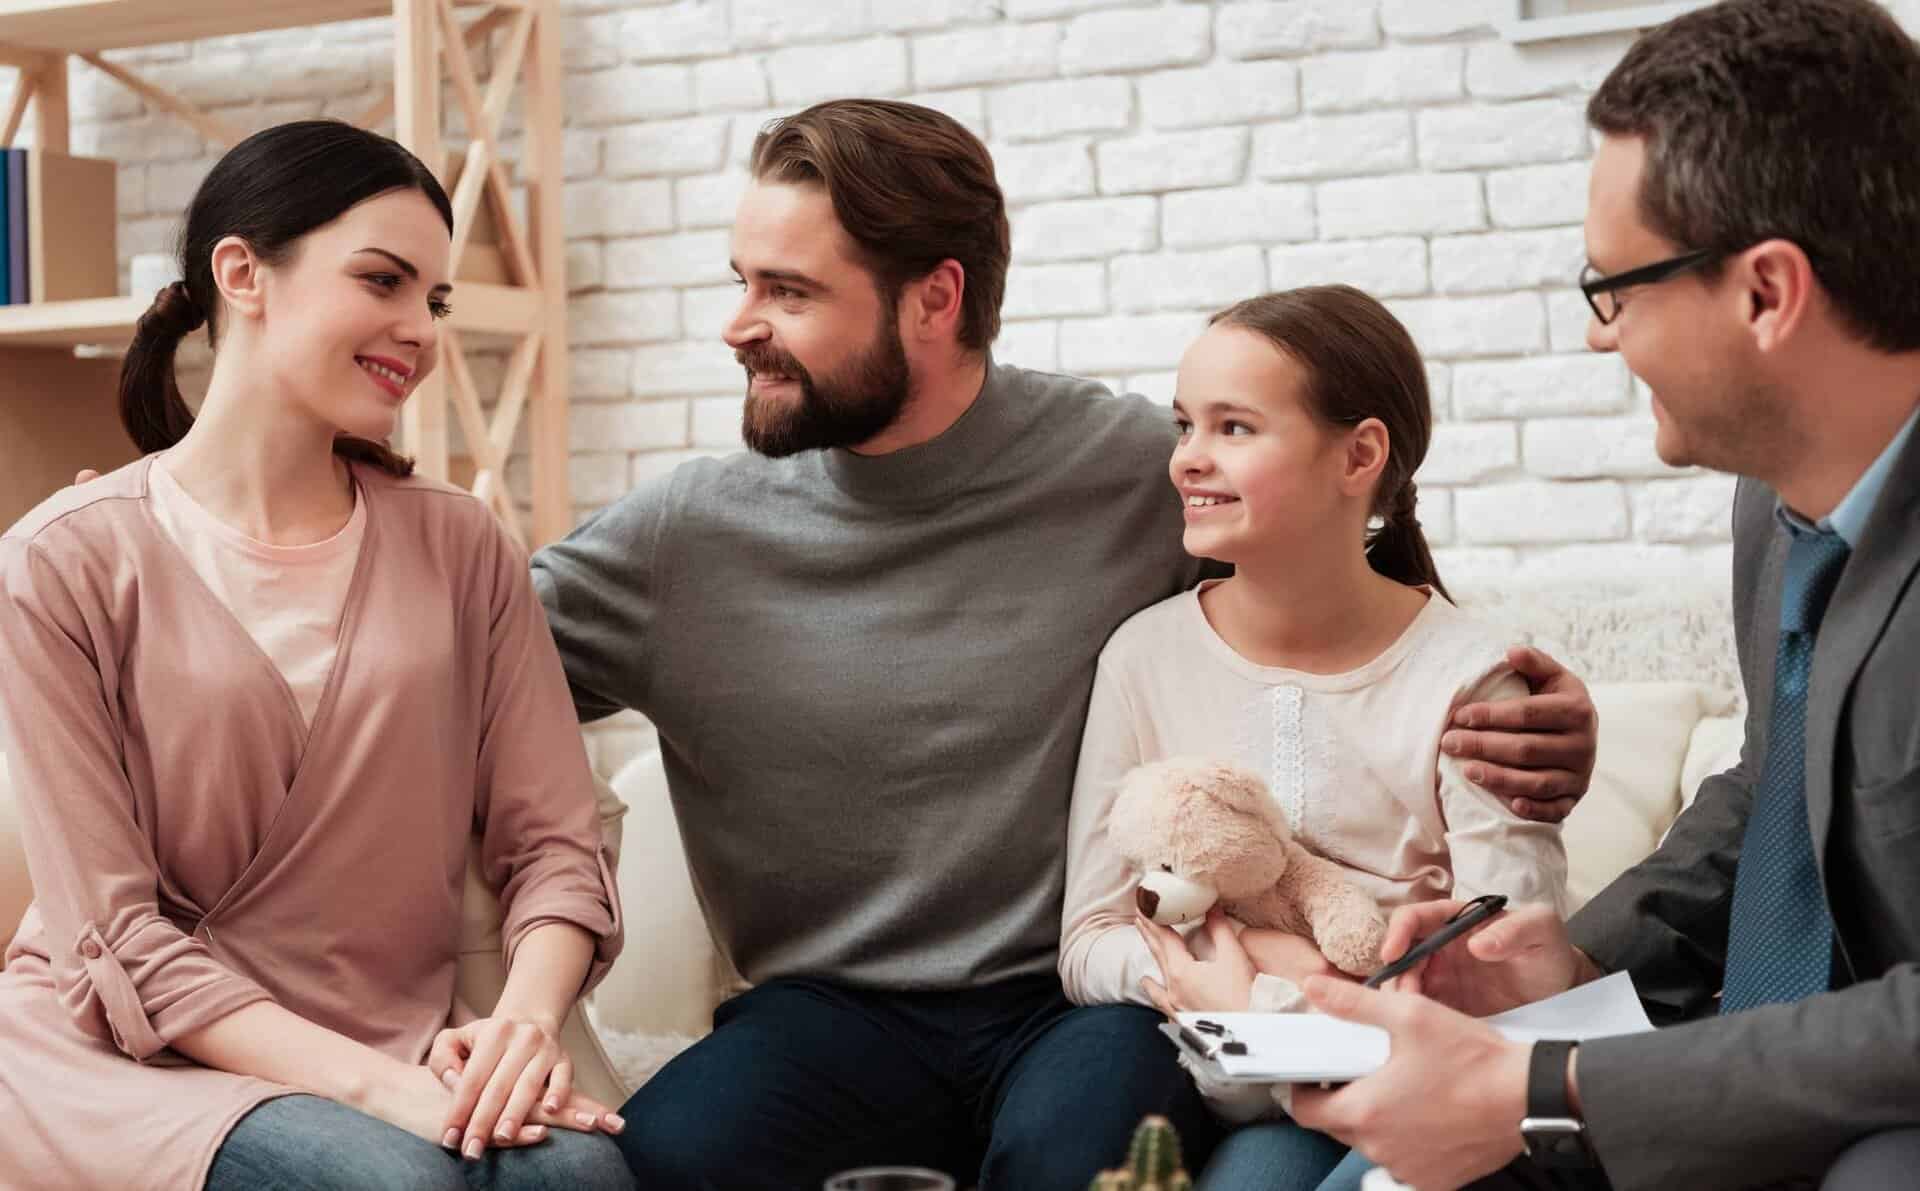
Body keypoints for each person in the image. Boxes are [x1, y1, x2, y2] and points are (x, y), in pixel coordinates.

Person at [525, 98, 1601, 1191]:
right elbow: (457, 665)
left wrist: (1518, 711)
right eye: (742, 282)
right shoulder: (684, 539)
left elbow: (1329, 581)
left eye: (788, 291)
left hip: (1079, 1003)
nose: (738, 324)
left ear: (936, 298)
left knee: (1081, 1158)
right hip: (826, 1012)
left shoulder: (1140, 469)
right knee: (661, 1163)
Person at [1277, 3, 1920, 1188]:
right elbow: (1779, 784)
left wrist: (1550, 1086)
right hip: (1777, 1064)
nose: (1597, 337)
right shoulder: (1776, 501)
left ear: (1766, 293)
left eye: (1613, 288)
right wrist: (1572, 965)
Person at [0, 121, 630, 1191]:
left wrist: (522, 1031)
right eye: (382, 280)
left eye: (433, 300)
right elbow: (116, 939)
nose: (417, 329)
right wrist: (390, 1097)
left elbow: (558, 846)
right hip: (137, 1057)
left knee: (579, 1178)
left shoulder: (461, 545)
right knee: (399, 1183)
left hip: (396, 1033)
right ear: (242, 273)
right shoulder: (60, 561)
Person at [1059, 287, 1570, 1191]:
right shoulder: (1144, 656)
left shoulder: (1472, 677)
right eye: (1184, 425)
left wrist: (1281, 1003)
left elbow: (1508, 965)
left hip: (1420, 1080)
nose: (1187, 458)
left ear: (1360, 455)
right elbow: (1090, 938)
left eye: (1234, 427)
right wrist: (1227, 982)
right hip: (1242, 1089)